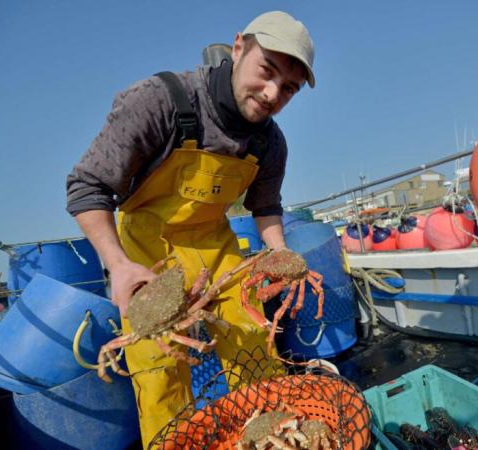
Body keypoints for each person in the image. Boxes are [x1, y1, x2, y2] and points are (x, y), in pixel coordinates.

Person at [66, 11, 315, 447]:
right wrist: (118, 266)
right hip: (146, 254)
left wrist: (277, 251)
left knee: (255, 336)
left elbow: (266, 205)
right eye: (267, 71)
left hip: (216, 249)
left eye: (289, 88)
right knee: (158, 368)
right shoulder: (158, 100)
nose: (273, 93)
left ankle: (270, 436)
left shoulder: (270, 142)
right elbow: (87, 187)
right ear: (238, 47)